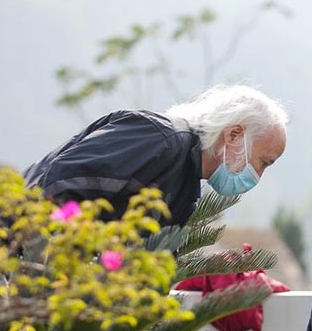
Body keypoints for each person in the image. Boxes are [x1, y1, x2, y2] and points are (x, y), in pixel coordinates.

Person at [25, 83, 289, 226]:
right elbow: (60, 183)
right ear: (234, 135)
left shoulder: (186, 186)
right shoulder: (158, 138)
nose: (258, 176)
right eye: (264, 162)